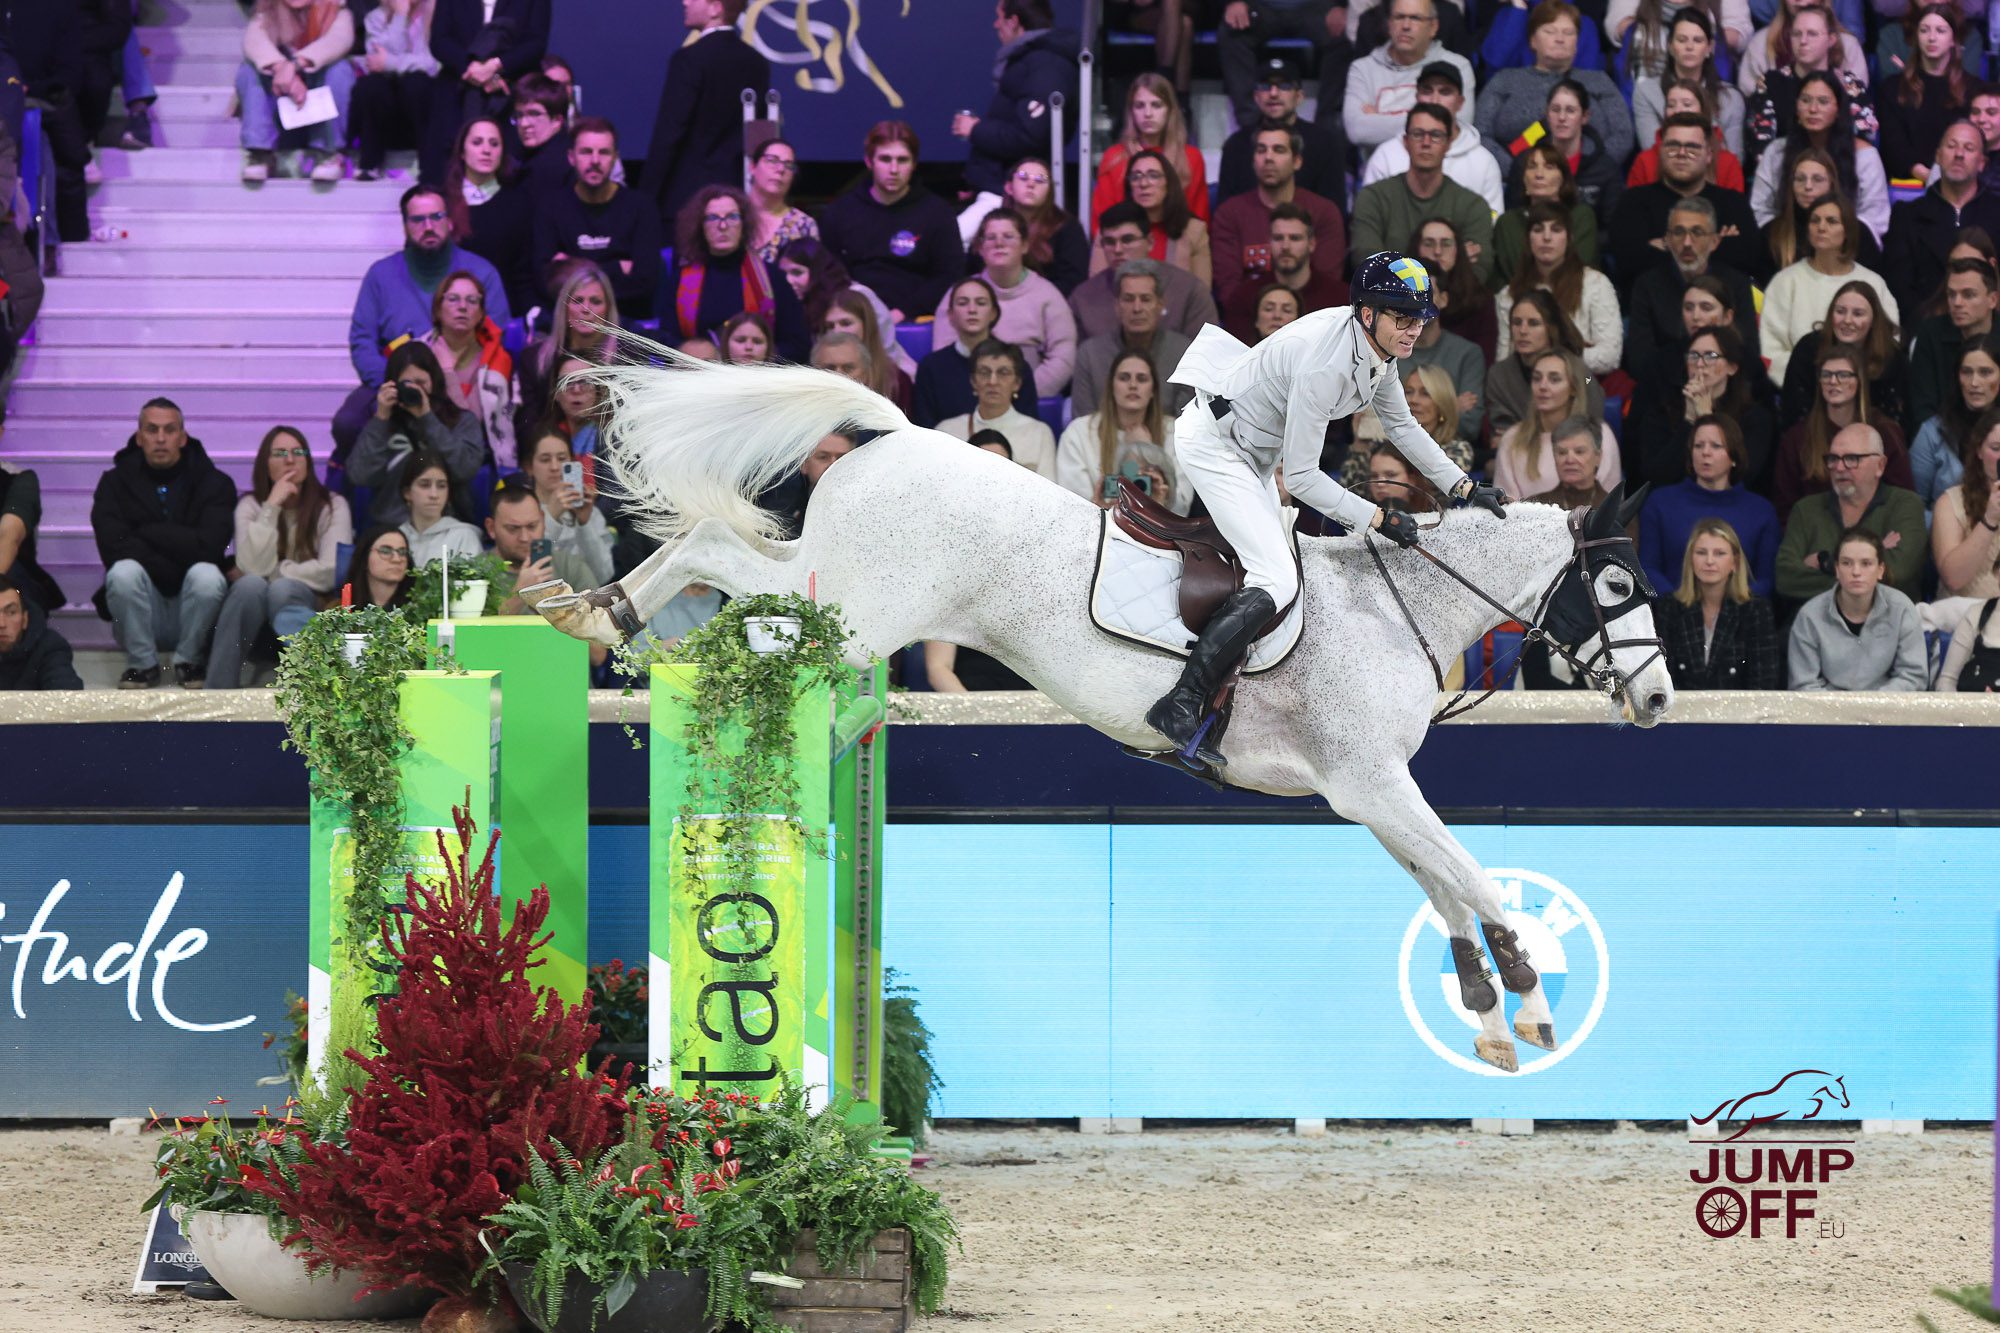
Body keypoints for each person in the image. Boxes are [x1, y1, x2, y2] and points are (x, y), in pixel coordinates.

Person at [1152, 254, 1506, 762]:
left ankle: (1225, 706)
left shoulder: (1378, 348)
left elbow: (1402, 425)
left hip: (1251, 451)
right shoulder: (1326, 363)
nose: (1415, 329)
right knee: (1276, 579)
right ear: (1368, 314)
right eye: (1403, 318)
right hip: (1217, 446)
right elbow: (1301, 478)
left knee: (1283, 574)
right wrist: (1377, 519)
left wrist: (1464, 487)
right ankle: (1181, 703)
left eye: (1420, 318)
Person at [337, 185, 508, 461]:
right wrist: (396, 383)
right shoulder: (380, 275)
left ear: (449, 221)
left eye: (436, 217)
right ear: (405, 226)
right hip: (394, 381)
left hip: (464, 383)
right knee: (347, 425)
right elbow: (362, 341)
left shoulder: (481, 272)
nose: (428, 227)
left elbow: (497, 338)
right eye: (417, 220)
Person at [90, 399, 235, 689]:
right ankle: (142, 665)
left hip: (193, 608)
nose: (160, 438)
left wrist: (146, 532)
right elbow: (113, 548)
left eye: (169, 430)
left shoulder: (215, 483)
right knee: (122, 573)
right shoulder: (114, 483)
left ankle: (189, 661)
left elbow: (210, 548)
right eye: (152, 429)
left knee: (207, 575)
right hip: (143, 607)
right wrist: (181, 546)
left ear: (182, 437)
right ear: (139, 436)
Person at [208, 427, 353, 689]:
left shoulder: (333, 505)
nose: (290, 460)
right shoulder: (250, 506)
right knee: (249, 585)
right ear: (265, 463)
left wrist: (276, 573)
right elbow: (252, 568)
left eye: (298, 452)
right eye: (280, 453)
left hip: (306, 610)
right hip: (253, 617)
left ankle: (315, 684)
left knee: (281, 588)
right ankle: (218, 690)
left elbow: (332, 570)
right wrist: (271, 506)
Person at [952, 0, 1081, 245]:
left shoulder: (1046, 64)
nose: (995, 25)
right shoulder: (1033, 60)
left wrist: (976, 129)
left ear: (1013, 22)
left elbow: (1030, 135)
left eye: (999, 17)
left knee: (945, 245)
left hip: (1008, 195)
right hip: (998, 188)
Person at [817, 122, 966, 323]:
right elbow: (829, 275)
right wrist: (860, 313)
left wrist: (903, 312)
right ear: (869, 161)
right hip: (854, 318)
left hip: (917, 320)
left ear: (914, 164)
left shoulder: (938, 213)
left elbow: (949, 275)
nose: (894, 169)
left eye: (902, 160)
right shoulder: (840, 212)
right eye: (885, 159)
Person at [639, 0, 768, 226]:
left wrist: (645, 199)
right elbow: (759, 134)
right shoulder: (757, 63)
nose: (685, 2)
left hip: (688, 202)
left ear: (715, 8)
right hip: (736, 198)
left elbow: (669, 134)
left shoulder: (689, 60)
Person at [1776, 422, 1928, 604]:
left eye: (1851, 458)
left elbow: (1898, 573)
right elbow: (1785, 578)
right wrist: (1873, 558)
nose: (1839, 468)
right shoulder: (1806, 509)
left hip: (1888, 618)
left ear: (1880, 465)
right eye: (1833, 458)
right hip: (1816, 620)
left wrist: (1825, 563)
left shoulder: (1904, 504)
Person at [1608, 114, 1764, 290]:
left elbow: (1747, 258)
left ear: (1709, 155)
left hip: (1722, 303)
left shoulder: (1733, 202)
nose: (1682, 153)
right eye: (1673, 146)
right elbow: (1630, 262)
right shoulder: (1633, 201)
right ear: (1660, 152)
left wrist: (1667, 245)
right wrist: (1711, 244)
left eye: (1692, 147)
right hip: (1652, 303)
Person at [1477, 0, 1635, 172]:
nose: (1560, 39)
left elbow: (1623, 135)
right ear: (1533, 41)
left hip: (1588, 178)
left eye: (1568, 33)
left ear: (1577, 43)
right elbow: (1481, 133)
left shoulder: (1599, 81)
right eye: (1550, 31)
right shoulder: (1505, 80)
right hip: (1515, 178)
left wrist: (1587, 171)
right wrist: (1519, 172)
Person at [933, 208, 1076, 397]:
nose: (999, 243)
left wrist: (1021, 392)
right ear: (980, 248)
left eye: (1008, 236)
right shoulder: (959, 295)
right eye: (991, 237)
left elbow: (1063, 358)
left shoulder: (1048, 296)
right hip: (967, 398)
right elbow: (944, 355)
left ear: (1025, 246)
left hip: (1027, 399)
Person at [533, 117, 662, 318]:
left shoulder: (641, 207)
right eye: (586, 152)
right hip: (569, 322)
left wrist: (570, 268)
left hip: (625, 321)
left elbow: (645, 284)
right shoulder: (550, 208)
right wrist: (616, 268)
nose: (595, 161)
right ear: (571, 157)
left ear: (615, 158)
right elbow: (545, 282)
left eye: (604, 152)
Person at [1623, 196, 1761, 384]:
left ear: (1714, 241)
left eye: (1697, 232)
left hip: (1726, 386)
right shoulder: (1647, 285)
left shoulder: (1736, 284)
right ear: (1668, 240)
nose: (1687, 242)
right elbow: (1639, 362)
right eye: (1679, 232)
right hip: (1664, 387)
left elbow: (1749, 355)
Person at [1760, 195, 1897, 383]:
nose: (1821, 227)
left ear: (1847, 230)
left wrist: (1853, 381)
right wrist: (1818, 381)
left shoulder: (1873, 282)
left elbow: (1888, 341)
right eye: (1815, 220)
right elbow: (1770, 347)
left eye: (1831, 221)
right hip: (1801, 386)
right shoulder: (1785, 281)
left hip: (1865, 388)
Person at [1638, 414, 1780, 595]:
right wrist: (1676, 604)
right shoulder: (1659, 503)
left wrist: (1736, 606)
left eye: (1716, 446)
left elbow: (1767, 579)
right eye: (1698, 446)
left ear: (1734, 456)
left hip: (1741, 610)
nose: (1705, 452)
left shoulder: (1761, 511)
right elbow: (1648, 568)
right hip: (1671, 608)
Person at [1350, 106, 1494, 284]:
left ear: (1449, 143)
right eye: (1418, 134)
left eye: (1436, 135)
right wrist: (1453, 263)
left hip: (1454, 301)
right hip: (1388, 301)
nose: (1426, 142)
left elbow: (1479, 271)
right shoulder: (1373, 198)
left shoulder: (1472, 206)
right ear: (1405, 141)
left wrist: (1397, 264)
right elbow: (1367, 263)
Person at [1772, 343, 1914, 522]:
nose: (1833, 381)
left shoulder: (1885, 432)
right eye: (1826, 375)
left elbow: (1904, 499)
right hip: (1815, 532)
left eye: (1843, 375)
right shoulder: (1798, 437)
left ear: (1859, 381)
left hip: (1875, 530)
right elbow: (1785, 507)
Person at [348, 343, 485, 527]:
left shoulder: (462, 421)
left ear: (434, 382)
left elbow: (464, 469)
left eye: (421, 383)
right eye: (407, 384)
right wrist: (381, 418)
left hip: (448, 526)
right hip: (392, 528)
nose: (415, 390)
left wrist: (427, 418)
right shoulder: (381, 424)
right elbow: (360, 476)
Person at [1208, 125, 1347, 307]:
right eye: (1261, 150)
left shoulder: (1324, 212)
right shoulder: (1229, 213)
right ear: (1253, 160)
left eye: (1278, 150)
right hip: (1249, 315)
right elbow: (1228, 290)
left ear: (1297, 161)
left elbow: (1326, 284)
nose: (1268, 158)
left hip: (1313, 315)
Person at [670, 184, 810, 361]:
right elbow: (667, 339)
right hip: (699, 372)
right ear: (700, 226)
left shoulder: (772, 278)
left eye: (732, 217)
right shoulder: (679, 280)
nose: (722, 226)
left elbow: (798, 344)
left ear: (744, 223)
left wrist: (760, 358)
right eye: (712, 218)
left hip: (756, 373)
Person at [1749, 73, 1890, 246]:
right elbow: (1760, 210)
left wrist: (1833, 238)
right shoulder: (1776, 152)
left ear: (1838, 110)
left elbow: (1875, 219)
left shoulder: (1865, 156)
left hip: (1848, 246)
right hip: (1787, 245)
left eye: (1823, 102)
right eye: (1805, 100)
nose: (1813, 109)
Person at [1631, 324, 1777, 488]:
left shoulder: (1755, 417)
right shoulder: (1663, 411)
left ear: (1732, 367)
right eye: (1693, 356)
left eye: (1710, 356)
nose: (1700, 364)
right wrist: (1689, 421)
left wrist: (1706, 419)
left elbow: (1743, 476)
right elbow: (1654, 475)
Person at [1881, 122, 2000, 322]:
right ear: (1938, 156)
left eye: (1969, 148)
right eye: (1951, 146)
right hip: (1923, 328)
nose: (1959, 154)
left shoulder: (1996, 212)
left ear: (1982, 163)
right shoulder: (1907, 215)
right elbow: (1897, 287)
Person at [422, 0, 550, 182]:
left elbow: (535, 43)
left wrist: (497, 67)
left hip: (513, 81)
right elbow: (439, 41)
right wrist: (471, 68)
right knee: (441, 148)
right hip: (460, 78)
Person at [1788, 527, 1929, 689]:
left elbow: (1913, 675)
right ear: (1837, 570)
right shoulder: (1810, 616)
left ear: (1880, 570)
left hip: (1887, 703)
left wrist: (1874, 702)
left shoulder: (1901, 608)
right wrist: (1839, 704)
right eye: (1846, 563)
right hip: (1828, 704)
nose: (1856, 572)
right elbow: (1803, 683)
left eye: (1866, 564)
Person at [1493, 200, 1623, 376]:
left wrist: (1541, 354)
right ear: (1528, 239)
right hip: (1526, 382)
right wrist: (1572, 351)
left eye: (1556, 229)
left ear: (1569, 239)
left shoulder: (1596, 284)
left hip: (1584, 379)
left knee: (1589, 386)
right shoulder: (1509, 294)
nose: (1546, 237)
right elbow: (1503, 361)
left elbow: (1609, 357)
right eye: (1538, 230)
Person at [1653, 518, 1783, 689]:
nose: (1709, 561)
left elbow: (1764, 682)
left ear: (1735, 562)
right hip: (1680, 706)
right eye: (1701, 552)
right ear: (1690, 559)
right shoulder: (1669, 607)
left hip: (1741, 706)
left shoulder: (1756, 610)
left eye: (1719, 553)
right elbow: (1662, 677)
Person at [1360, 60, 1504, 213]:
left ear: (1460, 102)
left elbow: (1492, 221)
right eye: (1427, 91)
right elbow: (1369, 215)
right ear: (1417, 97)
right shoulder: (1386, 155)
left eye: (1445, 92)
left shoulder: (1483, 162)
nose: (1435, 100)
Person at [237, 0, 357, 183]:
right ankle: (260, 154)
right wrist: (280, 68)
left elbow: (339, 40)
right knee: (249, 70)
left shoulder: (335, 9)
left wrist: (295, 65)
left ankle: (328, 154)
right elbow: (254, 41)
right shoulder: (267, 10)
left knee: (340, 70)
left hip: (318, 107)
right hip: (281, 105)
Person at [418, 270, 521, 473]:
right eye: (453, 299)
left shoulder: (496, 361)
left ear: (481, 314)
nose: (463, 307)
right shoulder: (417, 354)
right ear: (437, 309)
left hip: (478, 462)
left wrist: (448, 372)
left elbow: (468, 427)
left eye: (472, 301)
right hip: (426, 459)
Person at [1344, 0, 1479, 152]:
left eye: (1415, 18)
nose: (1406, 26)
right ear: (1389, 24)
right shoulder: (1363, 69)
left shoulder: (1458, 66)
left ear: (1433, 27)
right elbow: (1357, 131)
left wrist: (1378, 120)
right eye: (1399, 17)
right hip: (1380, 166)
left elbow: (1460, 127)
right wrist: (1437, 119)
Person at [1780, 280, 1906, 440]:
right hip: (1814, 438)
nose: (1847, 320)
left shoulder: (1891, 356)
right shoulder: (1808, 348)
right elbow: (1794, 409)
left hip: (1873, 442)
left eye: (1858, 314)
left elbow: (1895, 417)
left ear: (1873, 320)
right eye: (1840, 311)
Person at [1055, 350, 1180, 511]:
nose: (1133, 385)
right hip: (1098, 525)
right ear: (1111, 387)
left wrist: (1145, 450)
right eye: (1124, 378)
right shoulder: (1078, 432)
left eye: (1141, 379)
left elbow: (1181, 506)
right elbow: (1075, 505)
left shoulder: (1176, 431)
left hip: (1159, 527)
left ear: (1153, 391)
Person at [1073, 207, 1220, 344]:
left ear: (1150, 242)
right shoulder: (1083, 297)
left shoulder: (1190, 291)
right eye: (1109, 242)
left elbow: (1208, 353)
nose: (1117, 249)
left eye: (1127, 240)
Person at [1218, 57, 1350, 206]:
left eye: (1284, 86)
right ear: (1256, 97)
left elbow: (1334, 210)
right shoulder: (1236, 145)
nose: (1273, 93)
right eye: (1265, 86)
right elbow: (1225, 209)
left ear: (1299, 97)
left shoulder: (1325, 143)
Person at [1070, 262, 1192, 418]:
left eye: (1146, 299)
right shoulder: (1090, 355)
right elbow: (1082, 423)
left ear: (1160, 305)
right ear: (1117, 306)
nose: (1137, 308)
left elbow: (1188, 423)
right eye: (1128, 299)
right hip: (1102, 434)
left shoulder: (1184, 354)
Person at [913, 277, 1040, 428]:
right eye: (963, 303)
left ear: (993, 313)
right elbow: (924, 427)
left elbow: (1029, 427)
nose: (972, 310)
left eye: (981, 303)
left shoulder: (1015, 364)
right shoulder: (931, 367)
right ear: (950, 315)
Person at [441, 117, 537, 317]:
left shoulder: (519, 202)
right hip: (449, 314)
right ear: (462, 152)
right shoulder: (442, 201)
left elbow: (523, 272)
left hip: (502, 313)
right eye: (477, 142)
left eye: (494, 144)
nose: (486, 150)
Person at [1492, 350, 1618, 499]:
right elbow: (1504, 503)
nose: (1542, 386)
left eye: (1554, 379)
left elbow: (1608, 501)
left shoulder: (1600, 433)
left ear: (1573, 388)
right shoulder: (1512, 438)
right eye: (1537, 378)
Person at [517, 261, 616, 446]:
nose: (586, 309)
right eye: (578, 301)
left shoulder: (625, 363)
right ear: (564, 307)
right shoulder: (533, 360)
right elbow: (527, 427)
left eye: (595, 301)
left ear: (608, 310)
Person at [483, 481, 600, 636]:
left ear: (543, 520)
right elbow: (476, 638)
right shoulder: (473, 573)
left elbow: (599, 646)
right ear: (491, 528)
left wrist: (555, 609)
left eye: (532, 526)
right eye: (513, 528)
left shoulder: (569, 566)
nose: (524, 537)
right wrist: (520, 594)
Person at [1218, 0, 1351, 137]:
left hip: (1317, 6)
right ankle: (1250, 127)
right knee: (1232, 32)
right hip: (1259, 5)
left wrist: (1340, 6)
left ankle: (1326, 129)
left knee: (1345, 35)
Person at [1091, 74, 1208, 227]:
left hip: (1179, 240)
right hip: (1124, 240)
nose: (1148, 114)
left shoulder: (1191, 157)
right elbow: (1101, 223)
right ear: (1131, 112)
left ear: (1170, 110)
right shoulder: (1114, 158)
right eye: (1139, 106)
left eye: (1156, 105)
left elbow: (1199, 222)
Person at [1487, 289, 1605, 439]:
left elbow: (1591, 394)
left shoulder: (1582, 373)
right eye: (1517, 322)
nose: (1523, 330)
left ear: (1551, 328)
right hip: (1520, 450)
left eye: (1533, 323)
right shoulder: (1499, 375)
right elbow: (1501, 433)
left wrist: (1586, 381)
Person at [1221, 204, 1349, 341]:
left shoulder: (1339, 298)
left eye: (1295, 238)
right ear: (1269, 242)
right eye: (1278, 238)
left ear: (1311, 244)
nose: (1285, 246)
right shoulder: (1244, 297)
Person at [1874, 5, 1971, 182]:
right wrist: (1929, 177)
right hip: (1909, 183)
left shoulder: (1973, 89)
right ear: (1917, 37)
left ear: (1953, 40)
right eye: (1924, 30)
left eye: (1940, 31)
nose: (1931, 38)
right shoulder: (1892, 88)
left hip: (1961, 182)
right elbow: (1893, 145)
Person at [935, 339, 1057, 479]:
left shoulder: (1038, 433)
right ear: (973, 381)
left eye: (1003, 373)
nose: (992, 381)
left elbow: (1049, 490)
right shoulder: (946, 432)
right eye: (984, 372)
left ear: (1017, 383)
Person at [1631, 11, 1747, 158]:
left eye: (1697, 40)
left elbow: (1735, 159)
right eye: (1682, 40)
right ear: (1670, 46)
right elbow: (1652, 153)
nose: (1689, 46)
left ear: (1710, 48)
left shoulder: (1731, 98)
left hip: (1715, 171)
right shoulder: (1646, 92)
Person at [347, 0, 438, 182]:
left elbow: (433, 64)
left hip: (422, 98)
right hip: (388, 104)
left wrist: (391, 62)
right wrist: (400, 16)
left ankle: (428, 165)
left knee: (416, 82)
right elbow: (375, 62)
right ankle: (370, 164)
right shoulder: (375, 17)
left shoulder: (438, 14)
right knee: (371, 85)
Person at [1507, 78, 1626, 218]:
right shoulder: (1525, 162)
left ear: (1585, 117)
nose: (1562, 117)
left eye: (1570, 110)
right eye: (1555, 110)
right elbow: (1513, 217)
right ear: (1547, 114)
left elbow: (1613, 224)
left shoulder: (1605, 168)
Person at [1095, 148, 1213, 288]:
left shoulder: (1194, 230)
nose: (1143, 184)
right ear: (1129, 187)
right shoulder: (1109, 231)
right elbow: (1097, 290)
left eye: (1153, 176)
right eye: (1136, 177)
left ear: (1168, 184)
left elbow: (1202, 292)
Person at [1342, 362, 1475, 486]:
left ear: (1442, 403)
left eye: (1425, 394)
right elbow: (1351, 490)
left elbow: (1435, 493)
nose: (1413, 400)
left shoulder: (1458, 450)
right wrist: (1360, 445)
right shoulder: (1381, 445)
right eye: (1409, 392)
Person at [1490, 141, 1600, 290]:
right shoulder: (1508, 223)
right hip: (1517, 299)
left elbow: (1579, 266)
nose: (1539, 174)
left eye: (1549, 167)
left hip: (1572, 295)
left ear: (1563, 179)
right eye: (1532, 167)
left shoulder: (1580, 216)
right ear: (1524, 179)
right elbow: (1498, 278)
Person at [1907, 257, 1998, 428]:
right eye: (1951, 294)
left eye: (1968, 295)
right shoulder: (1931, 332)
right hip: (1943, 436)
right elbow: (1923, 407)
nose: (1957, 303)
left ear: (1992, 299)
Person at [1911, 335, 2000, 507]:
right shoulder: (1932, 432)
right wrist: (1946, 520)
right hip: (1944, 522)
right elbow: (1914, 505)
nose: (1974, 382)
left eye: (1985, 372)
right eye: (1966, 372)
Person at [521, 430, 613, 588]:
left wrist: (584, 525)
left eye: (562, 458)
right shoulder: (520, 513)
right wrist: (551, 517)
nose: (555, 467)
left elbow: (603, 575)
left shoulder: (590, 512)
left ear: (572, 462)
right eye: (545, 459)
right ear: (529, 467)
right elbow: (527, 570)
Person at [1930, 405, 2000, 596]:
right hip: (1965, 611)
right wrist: (1990, 519)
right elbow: (1954, 579)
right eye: (1996, 448)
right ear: (1979, 451)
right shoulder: (1950, 503)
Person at [1630, 76, 1748, 187]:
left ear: (1703, 111)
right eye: (1671, 105)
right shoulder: (1645, 161)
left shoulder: (1728, 163)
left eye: (1687, 104)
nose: (1678, 110)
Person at [1001, 157, 1091, 297]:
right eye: (1023, 178)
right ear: (1009, 187)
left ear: (1049, 191)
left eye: (1040, 180)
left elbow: (1074, 282)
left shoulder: (1068, 228)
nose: (1031, 184)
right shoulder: (993, 225)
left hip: (1049, 303)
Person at [1411, 216, 1497, 358]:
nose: (1437, 251)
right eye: (1429, 244)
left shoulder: (1480, 300)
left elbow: (1484, 359)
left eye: (1446, 244)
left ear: (1458, 250)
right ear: (1416, 248)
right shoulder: (1397, 294)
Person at [391, 446, 485, 565]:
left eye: (441, 486)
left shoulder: (463, 536)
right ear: (407, 492)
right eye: (425, 485)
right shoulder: (395, 537)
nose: (434, 494)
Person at [822, 290, 914, 408]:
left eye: (846, 323)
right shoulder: (816, 377)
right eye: (830, 326)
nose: (836, 331)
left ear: (867, 326)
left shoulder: (897, 380)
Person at [0, 573, 81, 691]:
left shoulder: (48, 646)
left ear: (25, 619)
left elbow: (66, 693)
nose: (2, 624)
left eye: (11, 612)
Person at [744, 138, 817, 267]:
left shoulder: (803, 225)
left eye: (788, 165)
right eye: (772, 160)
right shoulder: (731, 215)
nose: (781, 169)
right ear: (752, 167)